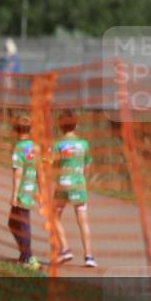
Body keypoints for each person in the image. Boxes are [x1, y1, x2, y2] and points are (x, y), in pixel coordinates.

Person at [50, 109, 96, 267]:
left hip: (63, 185)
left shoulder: (58, 145)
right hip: (79, 185)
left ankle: (65, 248)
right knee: (83, 221)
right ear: (76, 124)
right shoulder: (84, 144)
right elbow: (87, 165)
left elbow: (54, 165)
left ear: (60, 126)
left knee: (53, 216)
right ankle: (89, 257)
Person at [9, 116, 41, 270]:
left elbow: (18, 172)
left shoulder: (19, 148)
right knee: (13, 223)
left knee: (23, 224)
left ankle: (28, 257)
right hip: (31, 189)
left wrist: (14, 194)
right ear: (31, 130)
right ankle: (24, 255)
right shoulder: (35, 147)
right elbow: (40, 171)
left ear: (16, 130)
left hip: (22, 191)